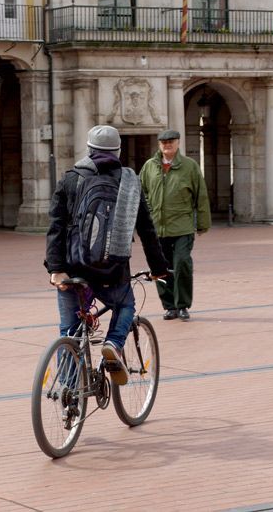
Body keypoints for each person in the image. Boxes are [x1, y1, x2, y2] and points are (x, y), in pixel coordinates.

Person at [45, 125, 169, 386]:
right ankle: (112, 344)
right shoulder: (130, 181)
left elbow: (56, 226)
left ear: (89, 150)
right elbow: (146, 229)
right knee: (125, 306)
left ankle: (69, 396)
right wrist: (158, 267)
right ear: (118, 151)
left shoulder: (70, 178)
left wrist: (56, 269)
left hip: (73, 267)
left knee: (68, 329)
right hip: (112, 271)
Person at [139, 129, 211, 322]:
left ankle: (183, 305)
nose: (167, 145)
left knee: (182, 263)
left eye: (171, 142)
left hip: (182, 226)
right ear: (159, 145)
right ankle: (169, 306)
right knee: (160, 267)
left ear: (178, 143)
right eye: (163, 143)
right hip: (157, 227)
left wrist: (203, 223)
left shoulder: (190, 166)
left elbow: (200, 196)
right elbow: (140, 192)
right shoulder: (149, 167)